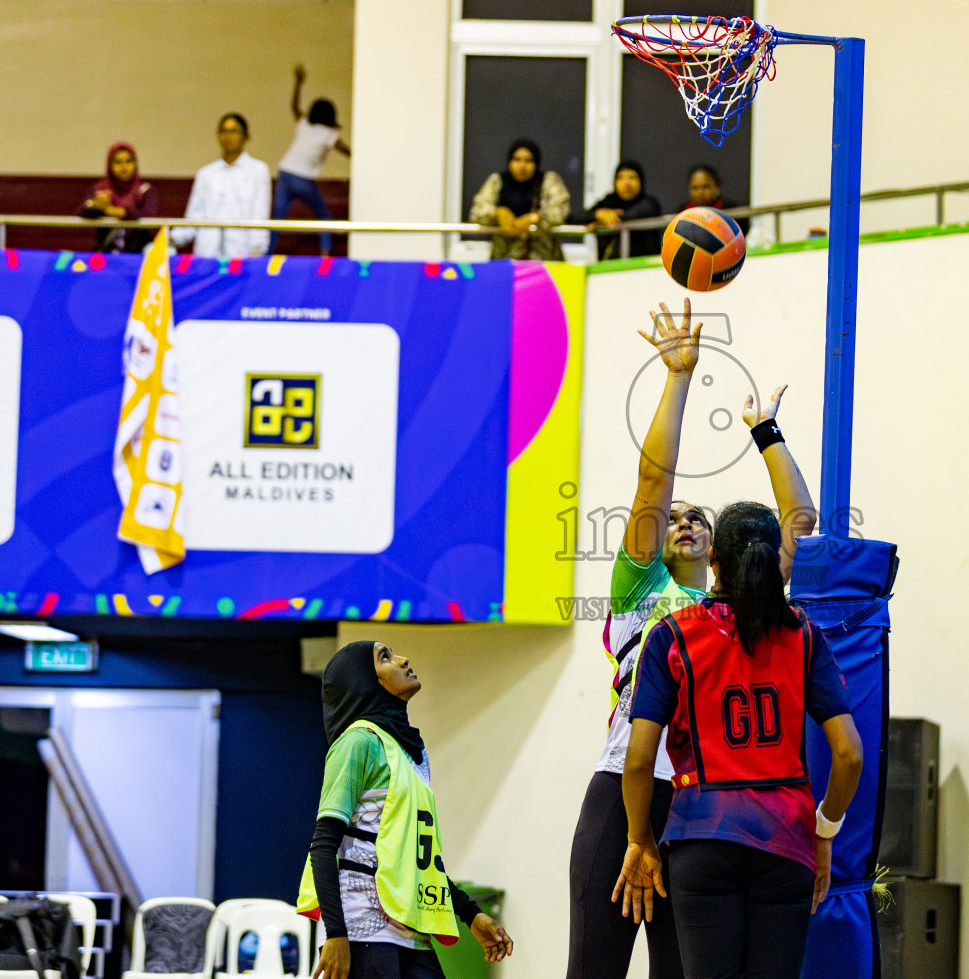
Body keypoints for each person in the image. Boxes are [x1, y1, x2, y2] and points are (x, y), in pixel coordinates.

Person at [566, 297, 818, 979]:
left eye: (696, 518)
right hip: (625, 784)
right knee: (593, 967)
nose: (680, 519)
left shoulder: (744, 606)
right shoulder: (641, 591)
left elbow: (798, 527)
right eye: (671, 517)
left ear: (716, 553)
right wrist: (678, 378)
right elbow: (653, 481)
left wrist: (767, 433)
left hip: (704, 806)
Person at [615, 500, 864, 979]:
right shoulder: (804, 635)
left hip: (702, 834)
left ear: (713, 560)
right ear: (775, 559)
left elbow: (639, 762)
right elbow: (850, 754)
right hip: (786, 839)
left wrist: (639, 837)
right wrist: (825, 830)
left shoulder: (672, 635)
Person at [299, 641, 514, 979]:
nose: (402, 659)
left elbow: (414, 859)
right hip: (360, 927)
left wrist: (470, 913)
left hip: (409, 927)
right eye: (384, 657)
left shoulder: (410, 751)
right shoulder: (357, 742)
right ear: (365, 681)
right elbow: (323, 845)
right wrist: (337, 935)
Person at [273, 63, 350, 254]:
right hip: (303, 178)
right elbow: (348, 152)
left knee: (275, 220)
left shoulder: (305, 124)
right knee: (323, 216)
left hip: (285, 173)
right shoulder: (329, 134)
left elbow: (294, 107)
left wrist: (298, 82)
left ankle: (266, 253)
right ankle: (325, 253)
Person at [171, 113, 271, 260]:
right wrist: (171, 239)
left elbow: (260, 214)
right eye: (224, 131)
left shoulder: (258, 170)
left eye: (234, 131)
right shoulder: (205, 173)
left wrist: (256, 251)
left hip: (242, 255)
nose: (228, 136)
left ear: (246, 136)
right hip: (207, 255)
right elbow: (194, 217)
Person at [469, 139, 570, 262]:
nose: (522, 166)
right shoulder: (497, 181)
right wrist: (497, 213)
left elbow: (560, 213)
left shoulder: (548, 180)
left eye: (528, 161)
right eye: (517, 160)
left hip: (543, 261)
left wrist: (534, 219)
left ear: (536, 163)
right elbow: (477, 212)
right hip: (504, 259)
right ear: (509, 161)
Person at [78, 142, 157, 252]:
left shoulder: (145, 190)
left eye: (128, 161)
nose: (124, 166)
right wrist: (97, 206)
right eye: (118, 162)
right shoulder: (99, 190)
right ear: (110, 165)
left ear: (135, 164)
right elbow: (83, 210)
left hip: (138, 254)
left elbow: (149, 215)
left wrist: (120, 212)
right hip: (106, 254)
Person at [585, 160, 662, 260]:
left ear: (641, 181)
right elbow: (576, 217)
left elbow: (636, 214)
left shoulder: (649, 203)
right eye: (620, 178)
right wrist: (598, 214)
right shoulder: (609, 201)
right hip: (609, 269)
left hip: (644, 268)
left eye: (632, 177)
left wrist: (608, 219)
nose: (626, 183)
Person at [680, 164, 749, 234]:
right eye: (695, 188)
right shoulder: (682, 213)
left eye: (706, 187)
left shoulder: (732, 211)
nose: (700, 192)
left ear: (717, 188)